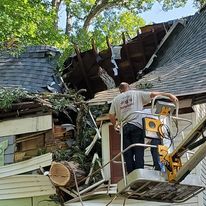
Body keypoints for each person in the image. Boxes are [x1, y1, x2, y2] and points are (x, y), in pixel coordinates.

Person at [109, 82, 178, 174]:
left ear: (120, 90)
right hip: (137, 126)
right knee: (139, 150)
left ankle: (130, 174)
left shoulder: (115, 99)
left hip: (124, 127)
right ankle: (139, 171)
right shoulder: (136, 93)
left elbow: (111, 115)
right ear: (129, 88)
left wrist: (115, 125)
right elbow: (153, 95)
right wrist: (168, 95)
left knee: (127, 152)